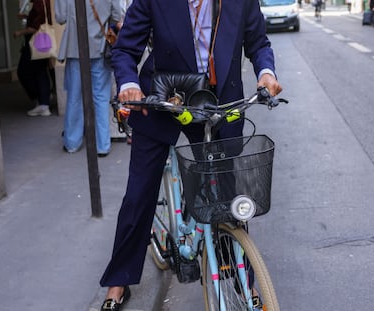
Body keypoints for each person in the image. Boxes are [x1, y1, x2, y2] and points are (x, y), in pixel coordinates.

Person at [99, 0, 282, 309]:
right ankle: (118, 283)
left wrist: (266, 72)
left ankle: (242, 277)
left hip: (217, 99)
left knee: (228, 195)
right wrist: (129, 83)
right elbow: (126, 48)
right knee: (139, 194)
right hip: (160, 97)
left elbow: (258, 42)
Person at [54, 0, 122, 155]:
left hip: (75, 47)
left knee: (75, 97)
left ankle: (72, 142)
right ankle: (103, 145)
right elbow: (117, 16)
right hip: (100, 47)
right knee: (101, 97)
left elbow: (60, 17)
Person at [14, 0, 53, 117]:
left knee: (24, 71)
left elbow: (36, 26)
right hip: (43, 40)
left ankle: (42, 101)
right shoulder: (43, 2)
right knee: (40, 71)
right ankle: (43, 101)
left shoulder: (38, 2)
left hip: (35, 41)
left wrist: (20, 32)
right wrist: (26, 16)